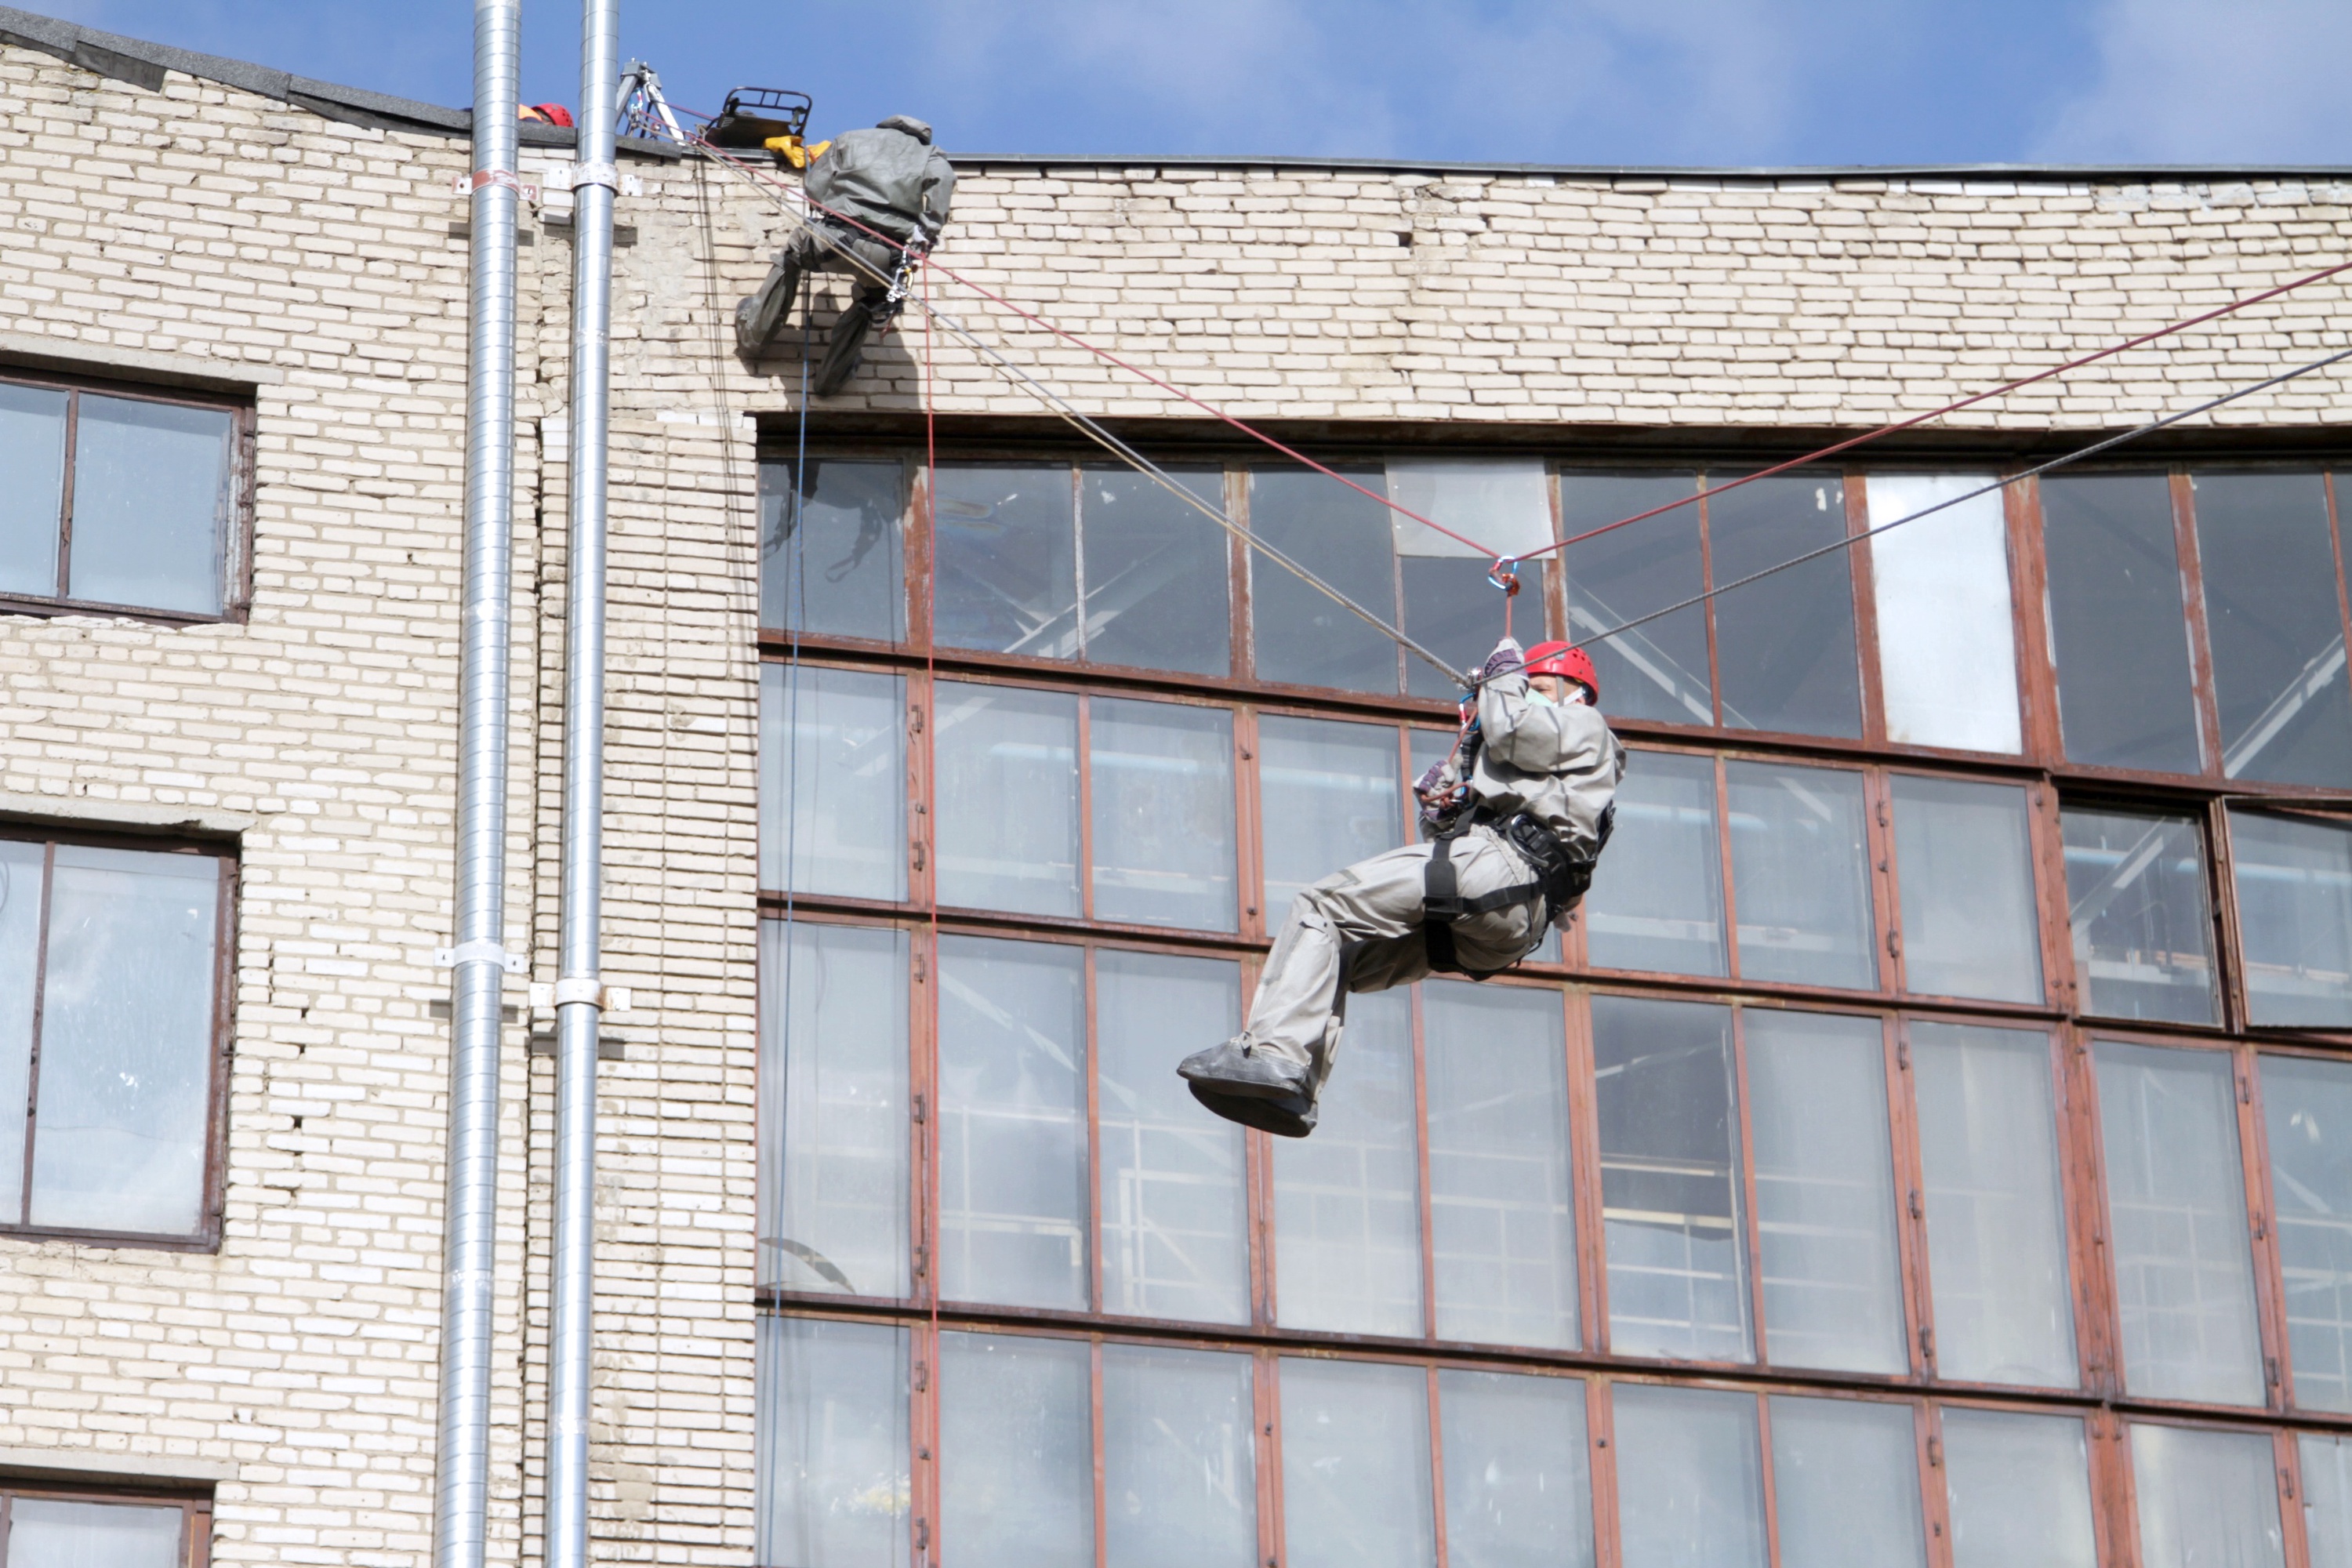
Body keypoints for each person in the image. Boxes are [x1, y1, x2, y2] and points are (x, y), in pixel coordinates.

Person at [1178, 636, 1624, 1137]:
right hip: (1507, 917)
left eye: (1540, 686)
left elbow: (1511, 729)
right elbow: (1484, 840)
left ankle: (1273, 1056)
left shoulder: (1586, 726)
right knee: (1336, 952)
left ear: (1576, 693)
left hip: (1499, 873)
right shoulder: (1572, 784)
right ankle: (1293, 1088)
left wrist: (1503, 675)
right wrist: (1444, 809)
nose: (1528, 693)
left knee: (1322, 905)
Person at [735, 114, 956, 394]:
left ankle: (755, 336)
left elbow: (815, 188)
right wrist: (926, 235)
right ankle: (831, 379)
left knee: (791, 258)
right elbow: (942, 186)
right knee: (871, 300)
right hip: (883, 254)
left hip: (831, 239)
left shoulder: (851, 138)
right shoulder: (930, 155)